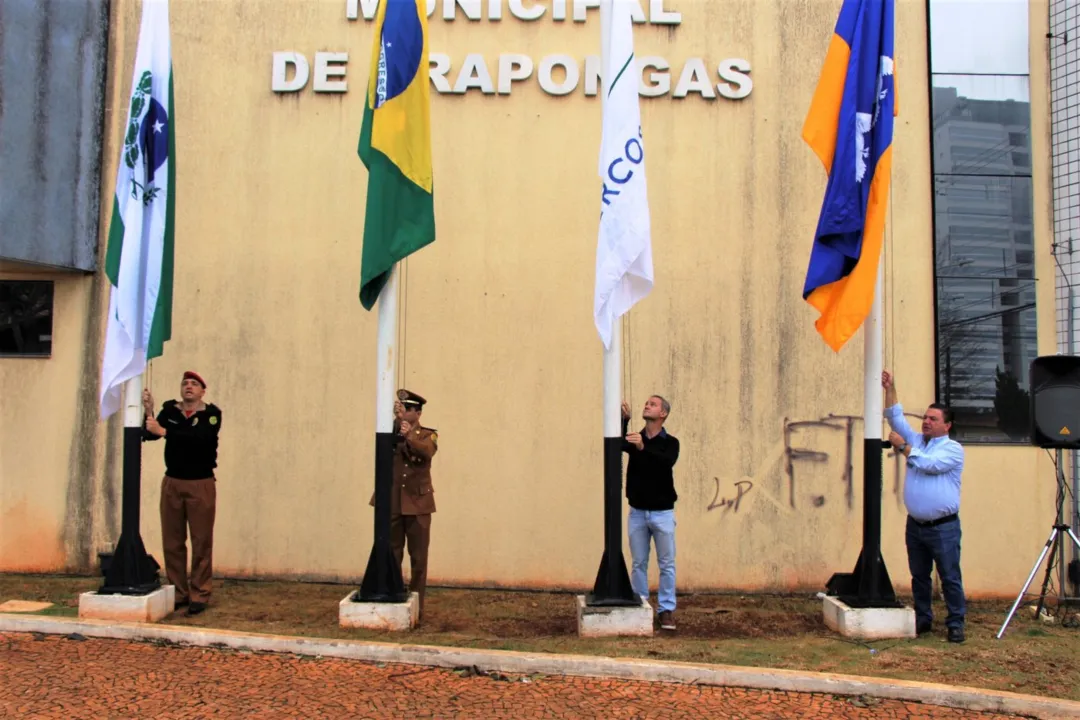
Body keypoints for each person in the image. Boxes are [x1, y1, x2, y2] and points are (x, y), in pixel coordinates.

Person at [882, 369, 967, 643]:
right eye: (926, 418)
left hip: (943, 527)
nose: (926, 422)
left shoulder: (952, 449)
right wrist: (890, 387)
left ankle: (955, 623)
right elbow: (895, 416)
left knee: (949, 576)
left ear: (947, 425)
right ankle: (923, 618)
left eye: (933, 419)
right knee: (920, 576)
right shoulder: (918, 441)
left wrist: (903, 447)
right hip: (916, 525)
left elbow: (929, 465)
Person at [143, 370, 222, 617]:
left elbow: (201, 439)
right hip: (173, 482)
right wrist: (149, 412)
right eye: (185, 383)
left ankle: (199, 593)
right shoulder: (170, 412)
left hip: (200, 483)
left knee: (201, 541)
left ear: (202, 391)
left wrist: (165, 432)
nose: (189, 387)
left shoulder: (210, 415)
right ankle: (179, 591)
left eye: (194, 384)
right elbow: (149, 434)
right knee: (173, 541)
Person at [370, 388, 438, 615]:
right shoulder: (392, 430)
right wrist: (395, 422)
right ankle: (395, 594)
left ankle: (417, 603)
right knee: (392, 552)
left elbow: (426, 453)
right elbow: (383, 445)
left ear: (417, 413)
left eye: (408, 409)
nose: (404, 412)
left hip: (418, 503)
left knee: (418, 557)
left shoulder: (427, 435)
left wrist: (409, 435)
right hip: (393, 501)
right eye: (401, 408)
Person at [621, 395, 680, 631]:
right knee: (639, 563)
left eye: (653, 404)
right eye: (646, 403)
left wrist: (642, 448)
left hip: (663, 513)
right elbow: (619, 444)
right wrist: (624, 421)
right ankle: (641, 604)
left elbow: (665, 463)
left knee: (666, 563)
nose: (647, 405)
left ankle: (666, 610)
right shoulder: (636, 438)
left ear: (663, 414)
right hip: (637, 512)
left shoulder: (670, 442)